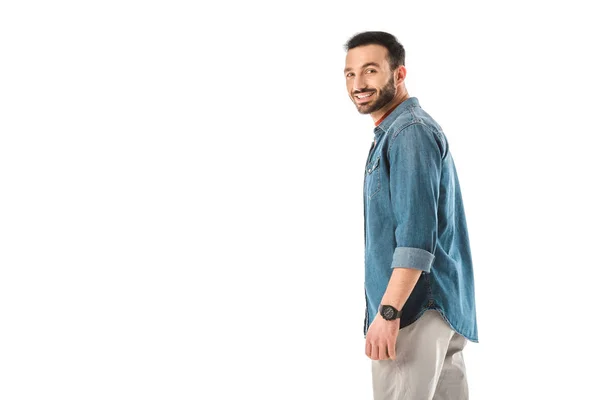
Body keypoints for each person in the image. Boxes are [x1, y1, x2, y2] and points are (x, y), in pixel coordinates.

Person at [343, 31, 478, 399]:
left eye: (370, 71)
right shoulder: (399, 132)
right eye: (350, 74)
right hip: (438, 308)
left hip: (412, 312)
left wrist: (387, 315)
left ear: (399, 75)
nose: (358, 84)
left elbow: (415, 238)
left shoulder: (408, 133)